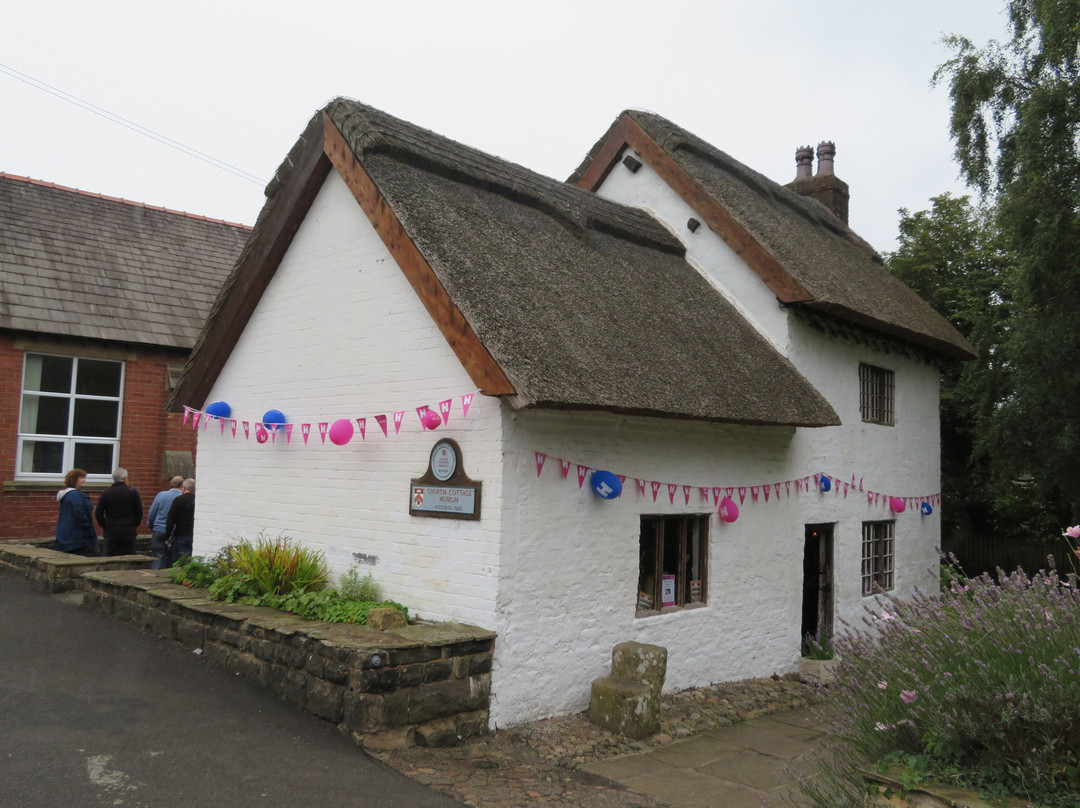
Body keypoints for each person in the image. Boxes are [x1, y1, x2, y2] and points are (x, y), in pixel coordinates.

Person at [94, 468, 143, 556]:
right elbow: (139, 511)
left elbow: (98, 512)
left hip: (111, 530)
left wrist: (104, 525)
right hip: (129, 529)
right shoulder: (133, 492)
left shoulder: (106, 493)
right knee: (129, 557)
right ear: (125, 478)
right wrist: (135, 524)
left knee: (109, 557)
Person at [54, 468, 99, 554]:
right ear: (74, 479)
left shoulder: (68, 495)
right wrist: (89, 529)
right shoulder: (75, 495)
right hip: (75, 537)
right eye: (81, 478)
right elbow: (80, 514)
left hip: (66, 535)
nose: (84, 480)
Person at [146, 476, 184, 569]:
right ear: (182, 485)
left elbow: (152, 512)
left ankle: (155, 576)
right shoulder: (182, 497)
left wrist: (151, 525)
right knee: (174, 557)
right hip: (175, 532)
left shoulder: (161, 495)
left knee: (158, 556)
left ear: (170, 484)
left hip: (159, 529)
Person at [164, 478, 195, 569]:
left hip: (181, 534)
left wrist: (167, 537)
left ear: (184, 488)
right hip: (194, 534)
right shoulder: (197, 500)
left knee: (179, 561)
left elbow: (171, 520)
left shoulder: (179, 500)